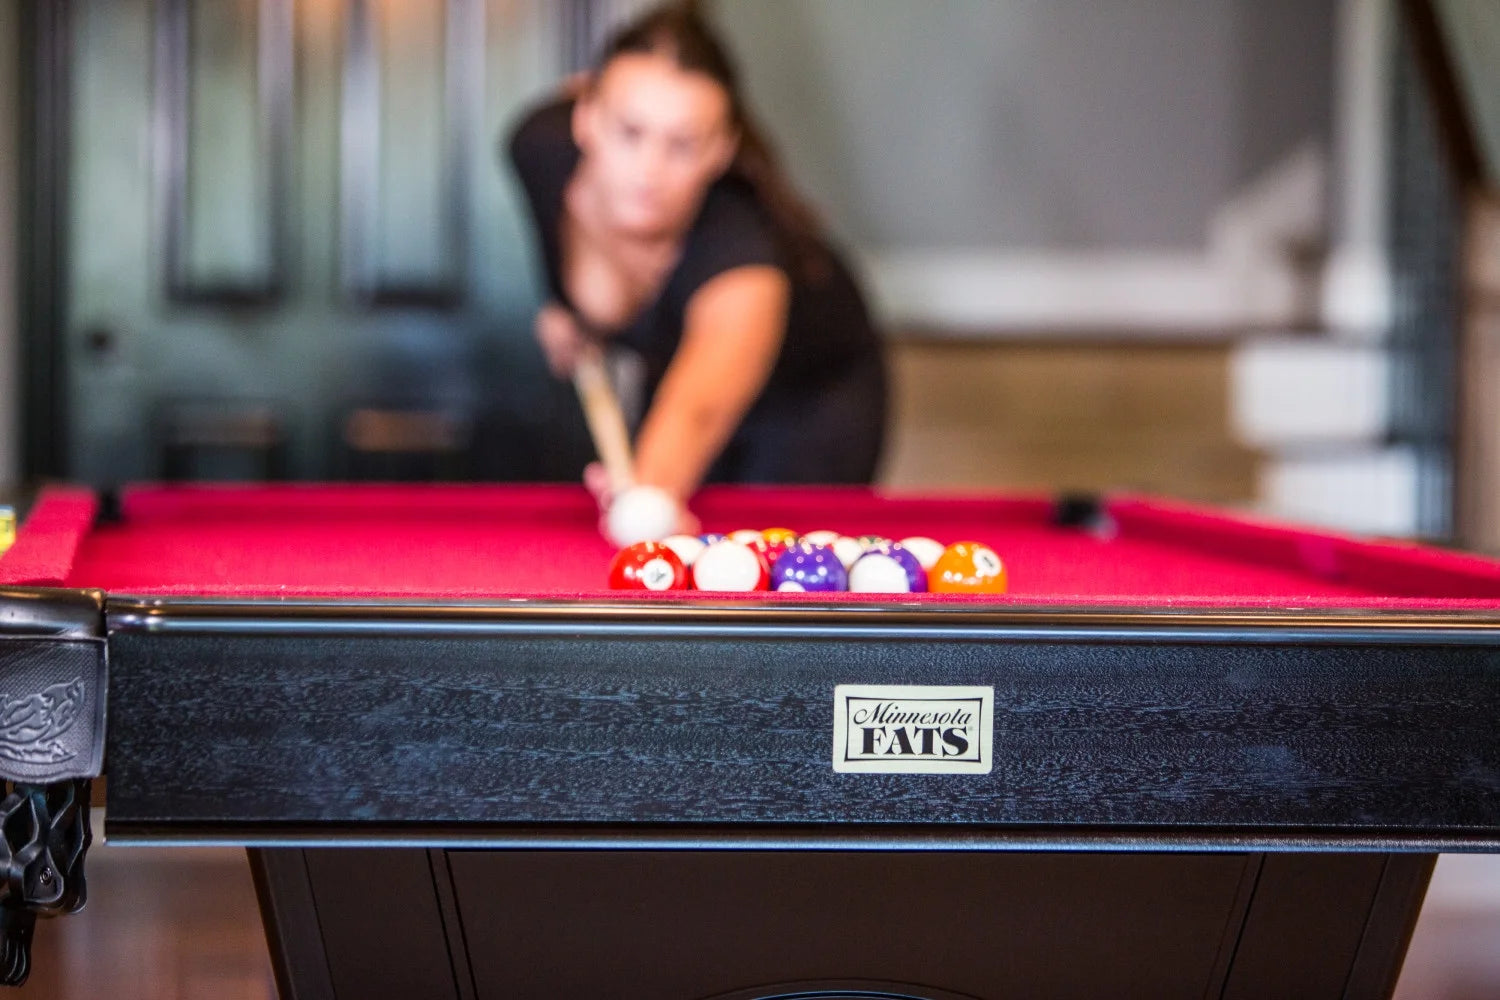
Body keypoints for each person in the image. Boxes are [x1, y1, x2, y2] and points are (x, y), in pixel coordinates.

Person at [506, 1, 886, 532]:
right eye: (630, 132)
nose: (649, 171)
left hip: (809, 399)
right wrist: (563, 302)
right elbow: (553, 228)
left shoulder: (740, 255)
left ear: (721, 151)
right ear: (584, 117)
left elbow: (695, 410)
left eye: (683, 144)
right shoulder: (537, 147)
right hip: (682, 365)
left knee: (772, 571)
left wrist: (647, 496)